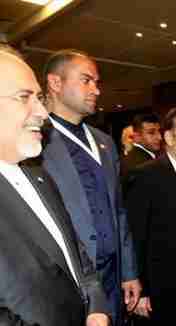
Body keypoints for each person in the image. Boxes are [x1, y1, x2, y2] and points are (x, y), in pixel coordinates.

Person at [0, 44, 109, 326]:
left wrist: (96, 305)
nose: (42, 112)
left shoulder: (39, 177)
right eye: (24, 97)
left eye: (38, 97)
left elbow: (76, 252)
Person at [41, 49, 140, 324]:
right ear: (56, 83)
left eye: (97, 82)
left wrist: (129, 271)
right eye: (86, 80)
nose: (96, 89)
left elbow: (119, 212)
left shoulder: (104, 143)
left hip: (111, 275)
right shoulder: (37, 142)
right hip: (70, 280)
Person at [126, 107, 176, 325]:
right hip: (161, 291)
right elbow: (136, 236)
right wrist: (142, 291)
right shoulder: (145, 176)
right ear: (169, 137)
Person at [120, 114, 161, 180]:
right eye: (151, 132)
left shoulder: (150, 158)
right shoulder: (140, 165)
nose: (159, 137)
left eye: (159, 131)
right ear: (137, 137)